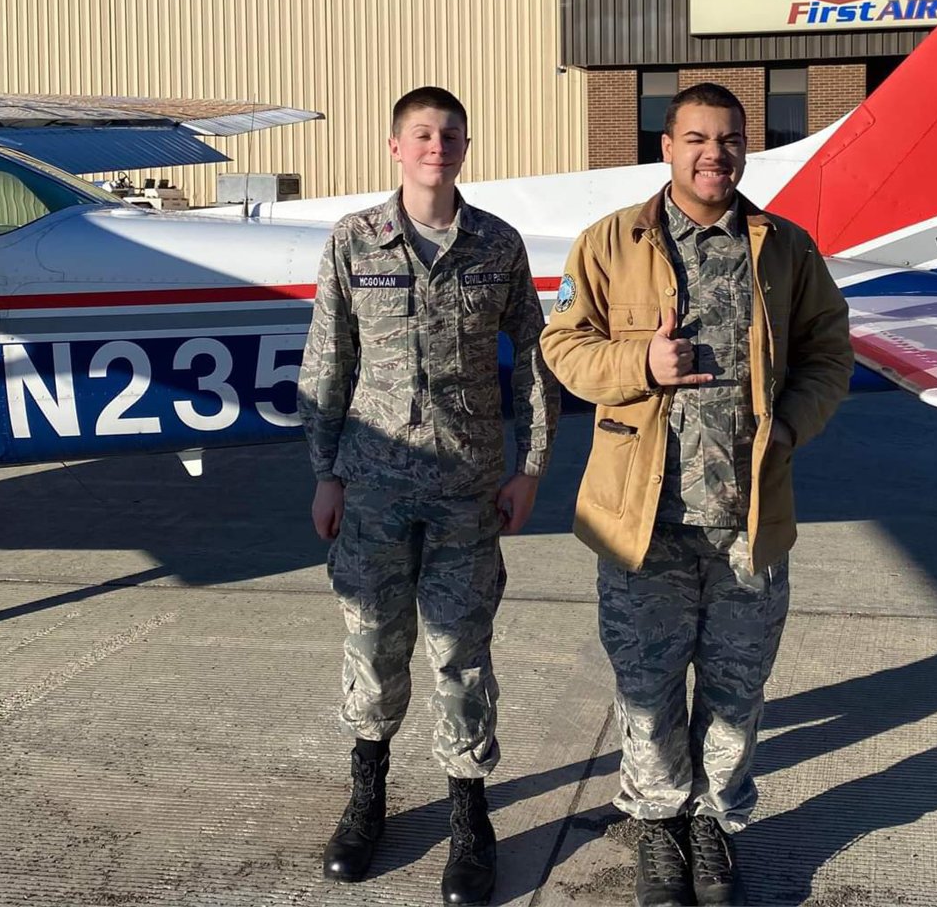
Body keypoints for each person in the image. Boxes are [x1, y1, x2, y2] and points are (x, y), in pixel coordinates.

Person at [540, 83, 852, 907]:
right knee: (645, 691)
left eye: (730, 140)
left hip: (747, 519)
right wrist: (640, 366)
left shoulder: (784, 247)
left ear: (744, 149)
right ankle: (657, 826)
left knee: (735, 692)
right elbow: (565, 347)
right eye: (697, 139)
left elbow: (830, 350)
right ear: (668, 147)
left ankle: (715, 821)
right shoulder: (610, 243)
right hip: (642, 520)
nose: (715, 154)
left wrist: (788, 427)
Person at [298, 85, 559, 905]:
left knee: (461, 653)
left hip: (468, 492)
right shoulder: (353, 241)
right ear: (394, 146)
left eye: (449, 134)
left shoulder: (497, 246)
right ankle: (367, 795)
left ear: (465, 146)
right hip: (373, 491)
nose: (435, 146)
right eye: (421, 134)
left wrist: (532, 468)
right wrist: (325, 473)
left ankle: (468, 817)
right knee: (373, 642)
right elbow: (326, 364)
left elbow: (537, 362)